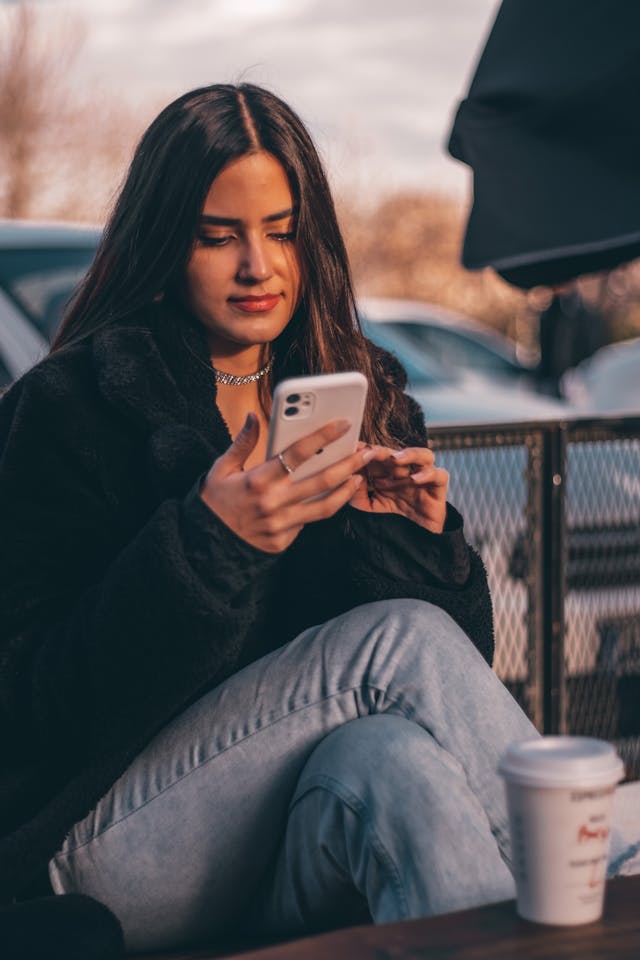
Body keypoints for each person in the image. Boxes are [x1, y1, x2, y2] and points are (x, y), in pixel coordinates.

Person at [0, 83, 631, 959]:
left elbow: (453, 676)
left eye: (283, 230)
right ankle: (619, 881)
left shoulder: (351, 382)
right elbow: (26, 707)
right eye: (219, 236)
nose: (258, 265)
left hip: (281, 828)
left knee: (392, 762)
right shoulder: (73, 406)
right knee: (396, 640)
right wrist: (207, 549)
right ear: (163, 241)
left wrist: (410, 538)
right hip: (99, 848)